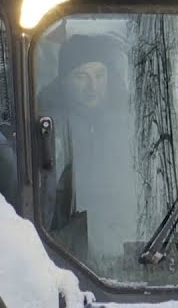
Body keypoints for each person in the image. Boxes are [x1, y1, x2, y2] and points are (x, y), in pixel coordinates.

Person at [36, 32, 140, 261]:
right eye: (81, 77)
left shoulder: (131, 120)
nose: (92, 86)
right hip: (72, 247)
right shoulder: (49, 125)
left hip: (132, 237)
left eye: (99, 75)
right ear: (64, 81)